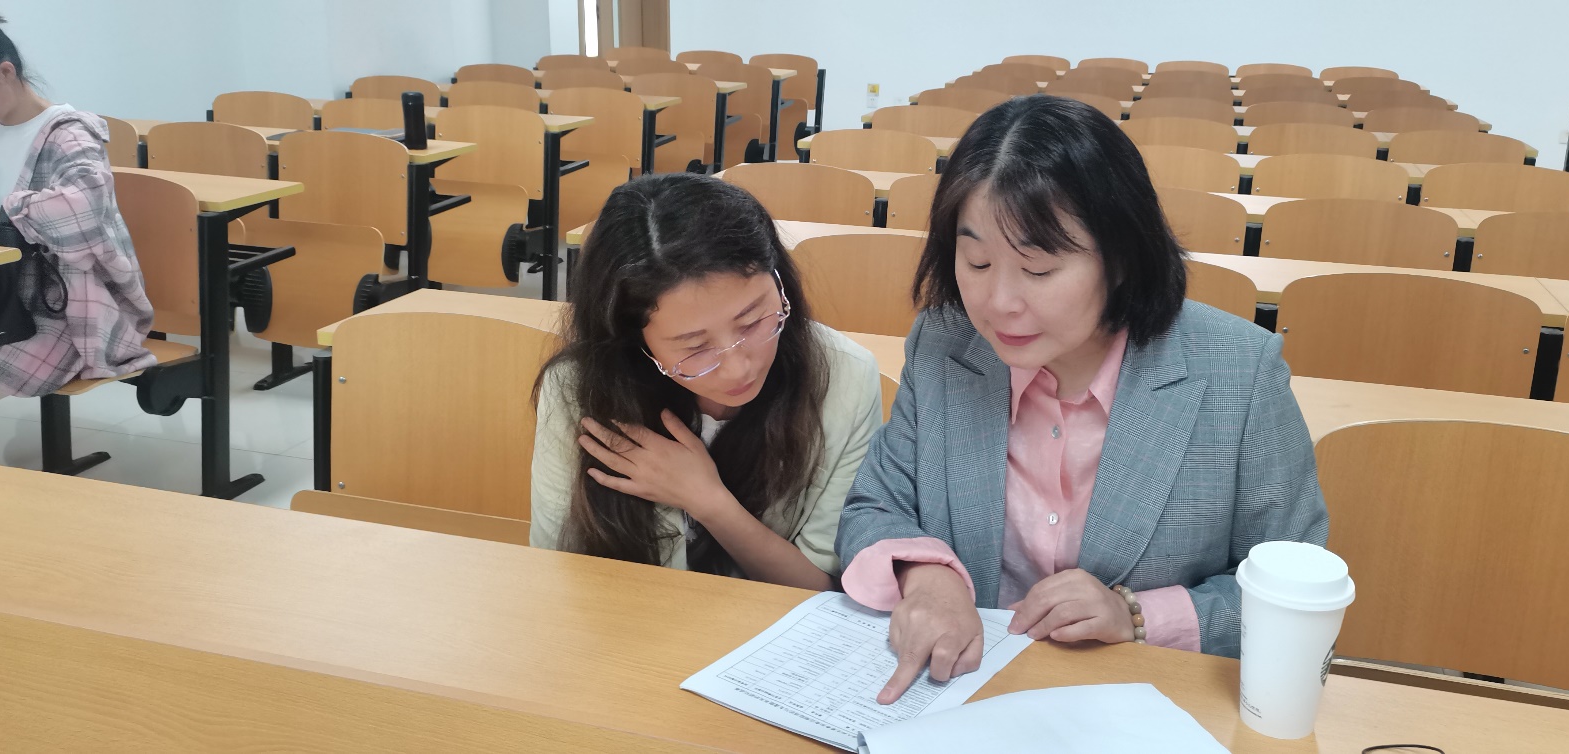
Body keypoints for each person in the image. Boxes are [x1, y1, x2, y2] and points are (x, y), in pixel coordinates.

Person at [835, 96, 1329, 703]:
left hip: (1144, 702)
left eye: (1038, 270)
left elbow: (1296, 589)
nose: (999, 303)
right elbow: (874, 504)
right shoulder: (946, 343)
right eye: (977, 262)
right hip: (965, 693)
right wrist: (928, 576)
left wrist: (1139, 617)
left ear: (1120, 260)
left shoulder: (1239, 374)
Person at [530, 173, 883, 590]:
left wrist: (709, 501)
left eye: (753, 321)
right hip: (621, 623)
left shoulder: (846, 378)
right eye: (694, 348)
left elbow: (820, 590)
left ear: (779, 283)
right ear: (636, 343)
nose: (737, 368)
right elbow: (554, 567)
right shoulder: (577, 386)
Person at [0, 2, 155, 398]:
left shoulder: (68, 133)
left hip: (59, 307)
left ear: (5, 72)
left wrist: (8, 211)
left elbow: (85, 209)